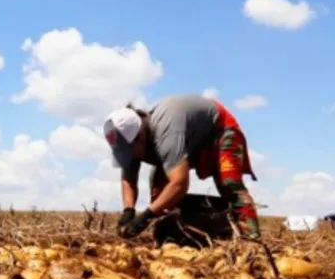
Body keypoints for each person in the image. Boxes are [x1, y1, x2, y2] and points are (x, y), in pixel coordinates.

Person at [103, 94, 262, 240]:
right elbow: (128, 180)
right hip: (191, 139)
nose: (129, 156)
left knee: (229, 183)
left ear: (140, 136)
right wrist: (128, 211)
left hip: (220, 129)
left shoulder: (166, 133)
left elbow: (179, 183)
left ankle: (252, 240)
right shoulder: (133, 139)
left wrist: (146, 216)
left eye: (128, 150)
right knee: (159, 188)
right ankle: (169, 235)